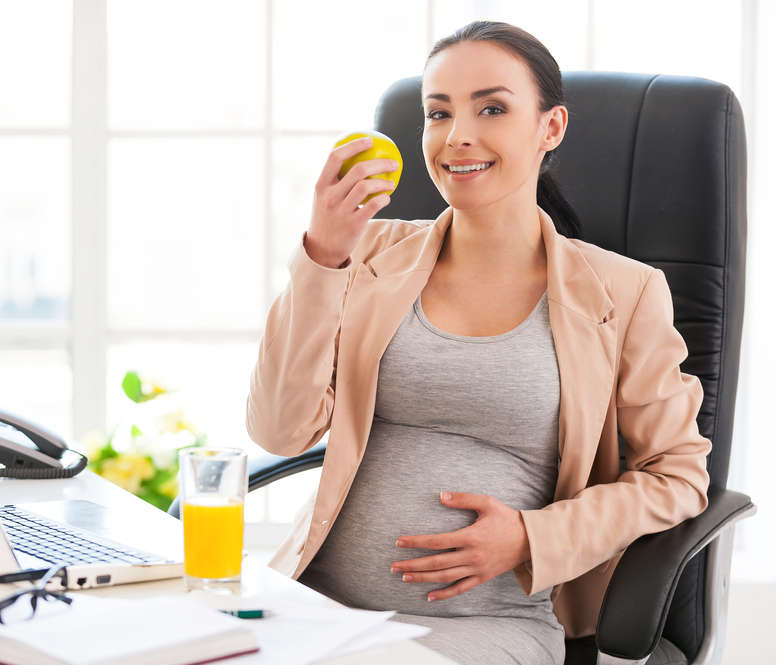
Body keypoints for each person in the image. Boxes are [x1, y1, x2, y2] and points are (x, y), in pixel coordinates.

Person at [246, 20, 711, 665]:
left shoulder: (624, 294)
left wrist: (531, 536)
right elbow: (279, 431)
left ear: (551, 128)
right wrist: (324, 256)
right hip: (318, 606)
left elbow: (678, 478)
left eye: (491, 108)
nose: (457, 135)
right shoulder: (368, 255)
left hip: (487, 625)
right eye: (439, 114)